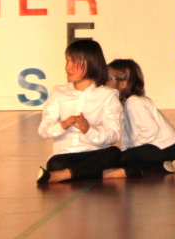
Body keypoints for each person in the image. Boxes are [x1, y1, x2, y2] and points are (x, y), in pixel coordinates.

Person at [36, 39, 124, 185]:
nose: (68, 67)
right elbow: (44, 130)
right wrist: (62, 125)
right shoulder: (58, 92)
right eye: (67, 61)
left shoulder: (108, 95)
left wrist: (89, 130)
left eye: (75, 62)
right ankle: (104, 173)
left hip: (95, 153)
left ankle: (60, 176)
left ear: (92, 63)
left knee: (114, 154)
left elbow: (114, 135)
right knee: (55, 164)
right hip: (66, 155)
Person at [102, 59, 175, 178]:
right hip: (155, 146)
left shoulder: (134, 102)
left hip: (164, 147)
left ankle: (145, 169)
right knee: (123, 157)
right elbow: (126, 134)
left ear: (123, 83)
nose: (104, 82)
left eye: (108, 79)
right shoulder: (125, 103)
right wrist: (127, 150)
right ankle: (157, 166)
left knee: (120, 158)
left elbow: (151, 129)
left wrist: (135, 148)